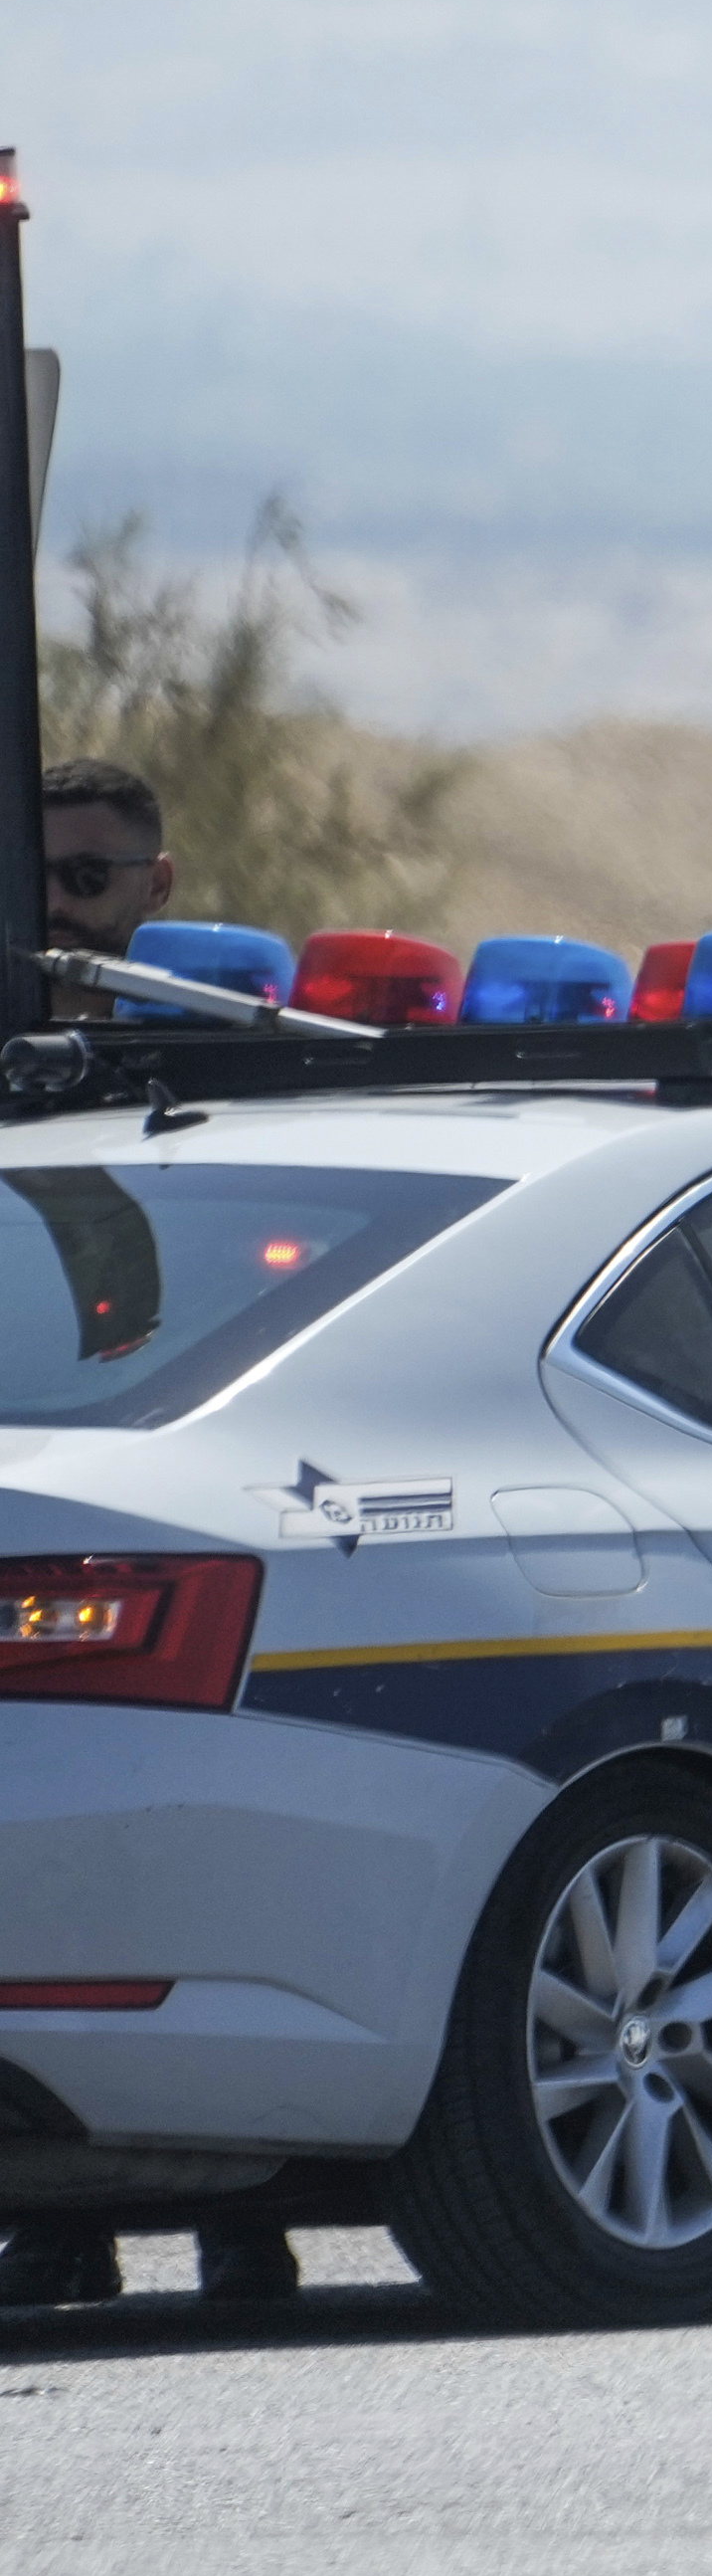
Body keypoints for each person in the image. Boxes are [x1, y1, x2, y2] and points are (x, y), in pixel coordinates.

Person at [0, 755, 296, 2312]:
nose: (59, 908)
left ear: (158, 891)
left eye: (91, 882)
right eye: (39, 876)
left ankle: (242, 2216)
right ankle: (62, 2221)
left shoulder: (234, 1090)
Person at [40, 755, 174, 1016]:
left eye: (86, 874)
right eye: (34, 876)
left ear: (157, 884)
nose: (54, 902)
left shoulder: (205, 1030)